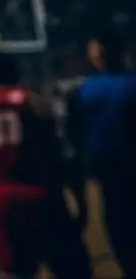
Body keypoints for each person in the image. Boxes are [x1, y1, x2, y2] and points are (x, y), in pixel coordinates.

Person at [0, 50, 92, 279]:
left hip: (3, 195)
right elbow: (61, 153)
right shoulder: (33, 102)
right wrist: (80, 199)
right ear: (15, 70)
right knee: (70, 268)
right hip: (42, 193)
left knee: (14, 270)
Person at [66, 26, 135, 275]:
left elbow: (74, 143)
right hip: (118, 169)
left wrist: (80, 196)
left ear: (97, 54)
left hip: (109, 172)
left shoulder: (82, 91)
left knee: (120, 230)